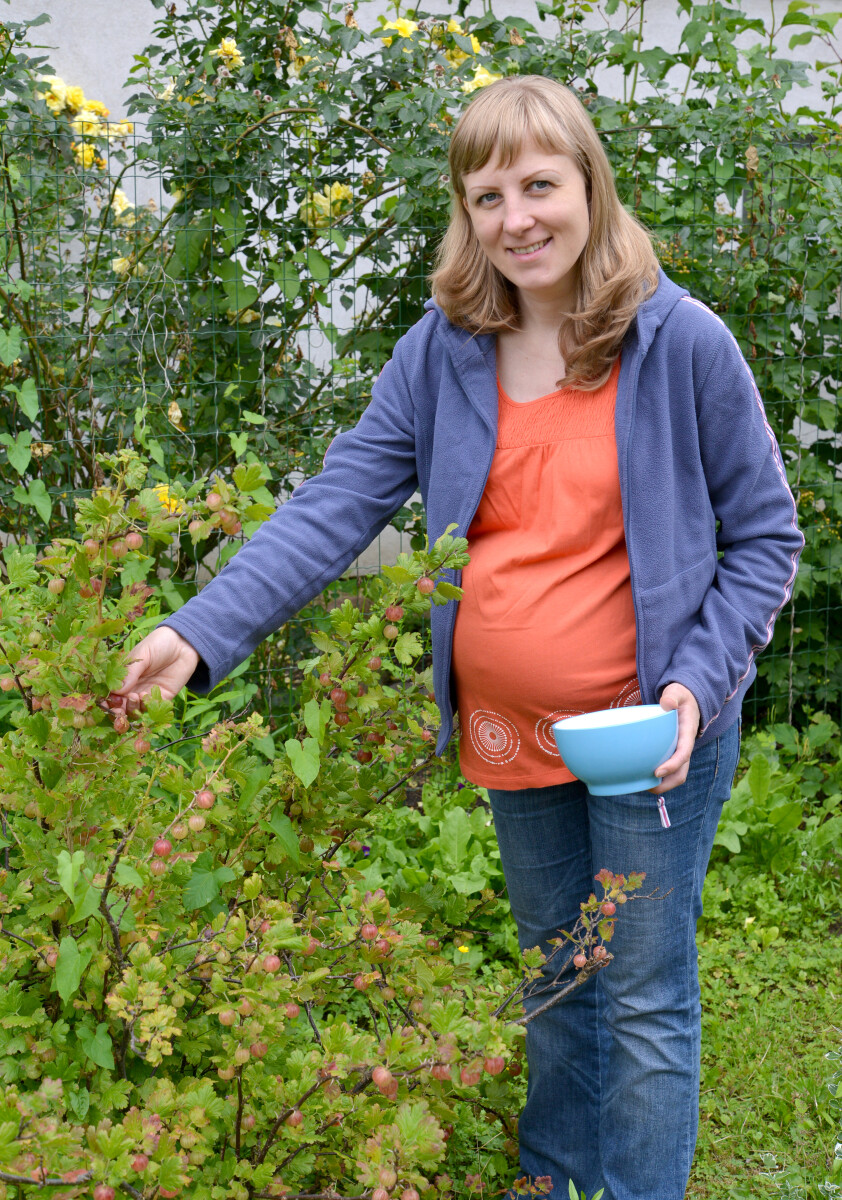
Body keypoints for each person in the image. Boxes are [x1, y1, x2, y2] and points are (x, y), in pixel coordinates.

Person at [110, 76, 803, 1200]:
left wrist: (693, 685)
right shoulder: (445, 349)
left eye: (539, 184)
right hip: (510, 726)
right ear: (463, 213)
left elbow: (765, 539)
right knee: (557, 975)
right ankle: (552, 1181)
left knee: (636, 991)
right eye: (487, 195)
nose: (516, 217)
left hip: (647, 728)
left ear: (589, 183)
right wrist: (198, 631)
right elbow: (337, 504)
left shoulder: (678, 342)